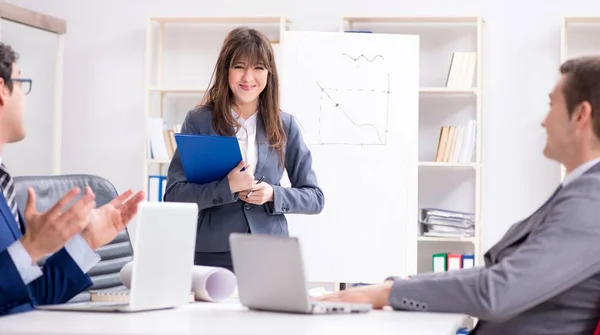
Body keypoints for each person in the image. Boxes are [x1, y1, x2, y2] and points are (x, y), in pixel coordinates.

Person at [317, 55, 600, 334]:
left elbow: (498, 290)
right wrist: (400, 286)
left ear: (580, 115)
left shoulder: (591, 199)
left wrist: (391, 292)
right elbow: (493, 275)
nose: (543, 121)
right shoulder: (580, 189)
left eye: (552, 105)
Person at [0, 42, 144, 316]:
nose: (25, 97)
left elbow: (30, 297)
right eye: (21, 83)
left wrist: (87, 241)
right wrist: (30, 248)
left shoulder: (2, 183)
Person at [164, 27, 324, 272]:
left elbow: (315, 198)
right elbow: (174, 195)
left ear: (269, 74)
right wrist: (227, 187)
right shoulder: (199, 120)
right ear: (225, 70)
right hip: (214, 252)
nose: (248, 78)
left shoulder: (285, 125)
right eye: (239, 66)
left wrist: (273, 194)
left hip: (271, 250)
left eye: (258, 68)